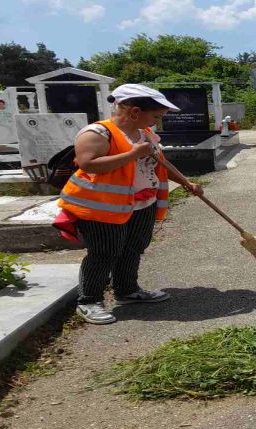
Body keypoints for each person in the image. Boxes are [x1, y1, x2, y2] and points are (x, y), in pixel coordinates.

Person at [57, 84, 203, 325]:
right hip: (102, 207)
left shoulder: (144, 133)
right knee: (104, 253)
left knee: (134, 247)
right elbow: (88, 164)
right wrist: (133, 154)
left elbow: (161, 163)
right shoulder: (97, 133)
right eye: (155, 116)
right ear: (135, 112)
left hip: (142, 202)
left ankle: (126, 290)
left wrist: (186, 182)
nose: (157, 122)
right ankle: (89, 301)